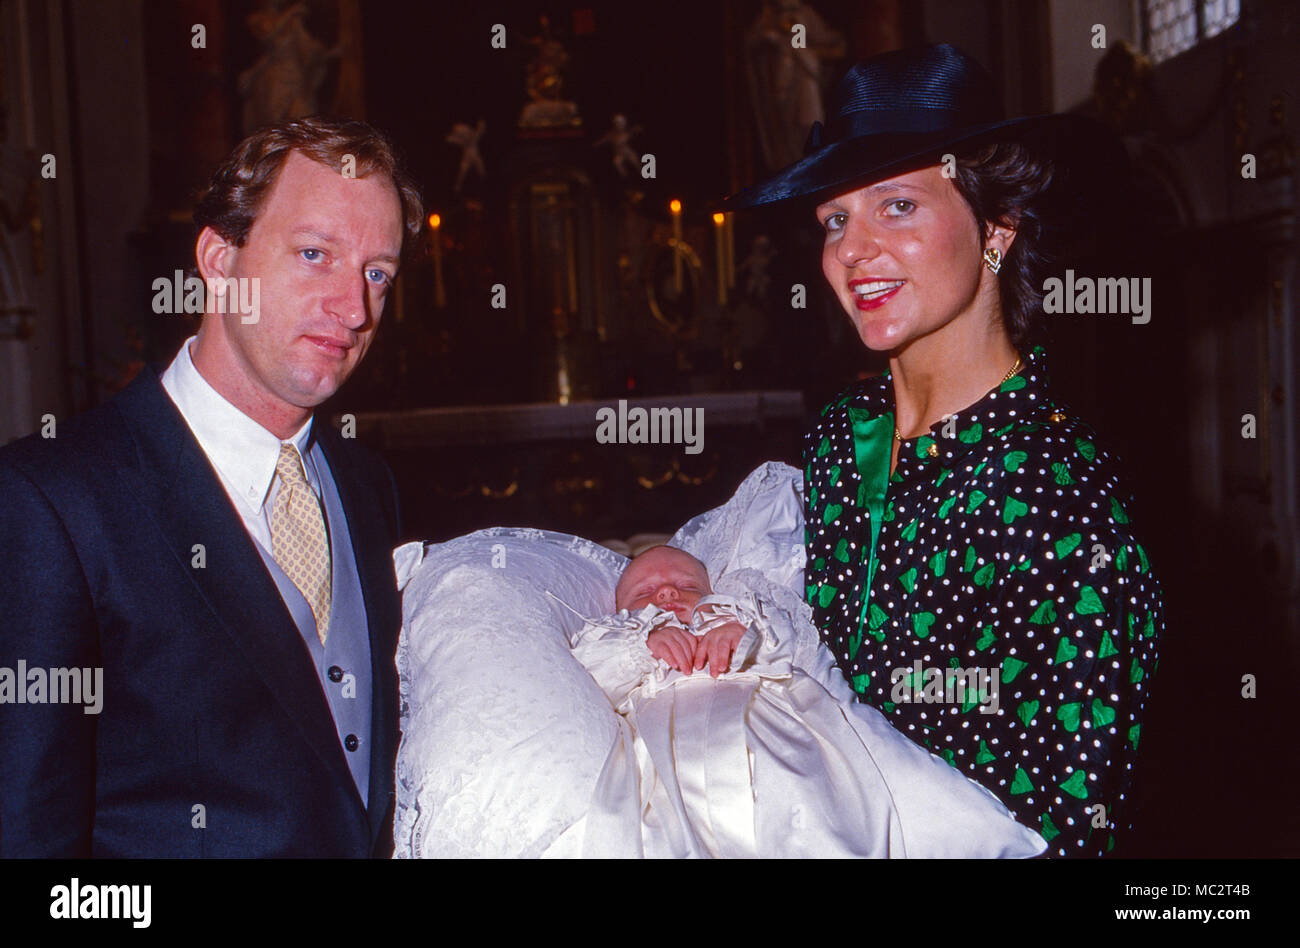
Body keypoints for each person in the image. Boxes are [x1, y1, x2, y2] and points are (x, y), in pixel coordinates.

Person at [724, 44, 1162, 856]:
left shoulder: (1054, 496)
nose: (852, 251)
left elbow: (1070, 830)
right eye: (834, 219)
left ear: (996, 229)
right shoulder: (841, 436)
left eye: (896, 206)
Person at [0, 116, 422, 857]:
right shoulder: (52, 501)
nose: (354, 310)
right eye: (315, 254)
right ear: (219, 260)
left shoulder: (365, 482)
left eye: (377, 273)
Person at [569, 545, 1047, 858]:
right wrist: (640, 646)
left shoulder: (739, 611)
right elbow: (589, 673)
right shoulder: (619, 634)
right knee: (668, 834)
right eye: (645, 593)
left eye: (687, 586)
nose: (668, 592)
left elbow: (802, 648)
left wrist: (747, 635)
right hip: (666, 743)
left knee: (816, 807)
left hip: (773, 717)